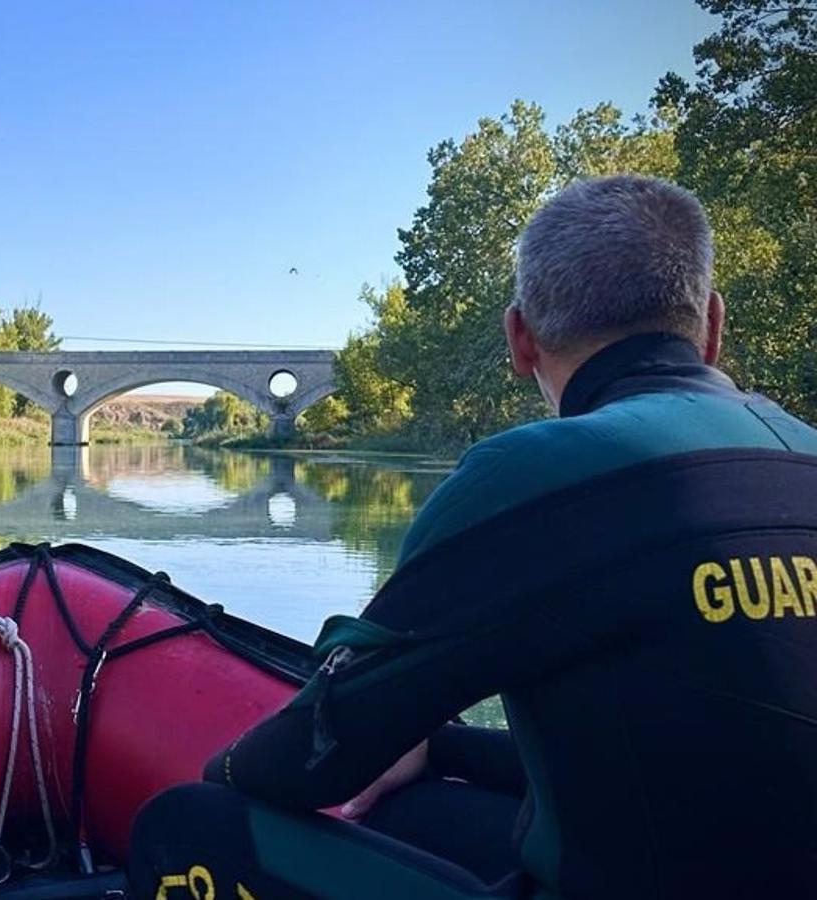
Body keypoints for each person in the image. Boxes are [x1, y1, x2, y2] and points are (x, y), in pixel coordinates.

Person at [129, 174, 817, 898]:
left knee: (186, 825)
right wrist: (448, 747)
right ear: (711, 325)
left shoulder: (532, 476)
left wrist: (229, 768)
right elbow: (690, 749)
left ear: (519, 339)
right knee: (413, 809)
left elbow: (313, 755)